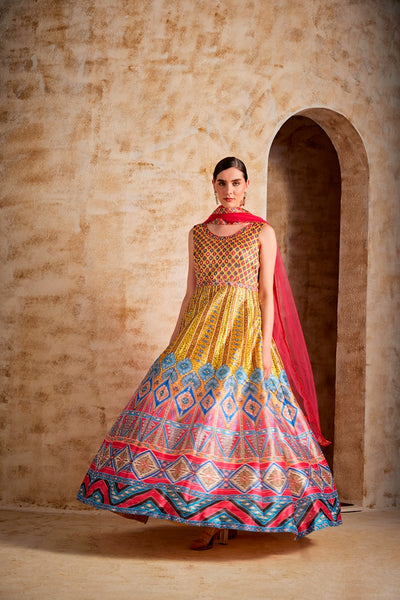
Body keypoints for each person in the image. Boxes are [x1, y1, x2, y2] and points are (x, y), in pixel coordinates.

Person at [77, 157, 342, 549]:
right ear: (213, 185)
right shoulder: (197, 233)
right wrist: (174, 341)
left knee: (234, 420)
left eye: (236, 183)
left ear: (246, 186)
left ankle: (224, 517)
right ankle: (207, 514)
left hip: (245, 332)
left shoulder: (262, 232)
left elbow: (266, 294)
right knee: (190, 417)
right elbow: (190, 292)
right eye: (222, 183)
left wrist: (264, 347)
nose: (229, 190)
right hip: (201, 331)